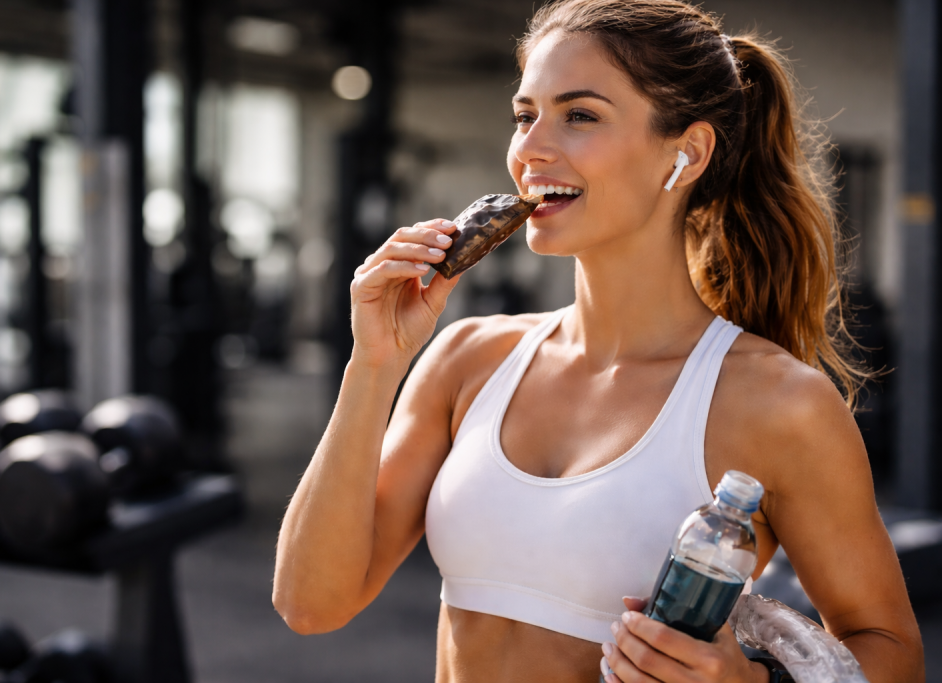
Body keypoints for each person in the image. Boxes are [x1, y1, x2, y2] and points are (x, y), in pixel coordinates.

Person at [272, 0, 925, 680]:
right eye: (526, 115)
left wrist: (755, 681)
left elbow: (892, 650)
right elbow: (309, 602)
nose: (529, 149)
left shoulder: (777, 401)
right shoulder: (468, 358)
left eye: (579, 115)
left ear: (688, 151)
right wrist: (374, 362)